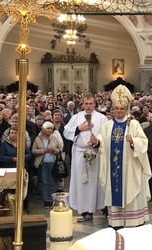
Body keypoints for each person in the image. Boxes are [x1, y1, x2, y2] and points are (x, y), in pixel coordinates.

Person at [89, 84, 152, 229]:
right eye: (116, 108)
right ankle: (117, 223)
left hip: (131, 169)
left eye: (122, 108)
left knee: (132, 193)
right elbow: (102, 141)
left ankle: (134, 221)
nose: (119, 111)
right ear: (112, 110)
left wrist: (133, 142)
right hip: (114, 169)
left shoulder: (134, 124)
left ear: (126, 109)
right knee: (115, 192)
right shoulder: (107, 126)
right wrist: (96, 141)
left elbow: (144, 143)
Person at [63, 93, 108, 222]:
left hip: (96, 153)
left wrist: (96, 141)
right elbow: (66, 131)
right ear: (82, 104)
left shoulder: (101, 118)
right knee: (83, 182)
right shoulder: (76, 117)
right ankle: (85, 211)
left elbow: (106, 135)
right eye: (86, 104)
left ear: (95, 104)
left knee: (99, 181)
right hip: (80, 154)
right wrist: (78, 128)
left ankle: (105, 209)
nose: (88, 106)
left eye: (91, 104)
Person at [32, 121, 63, 208]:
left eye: (51, 128)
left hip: (52, 162)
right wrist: (43, 151)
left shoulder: (54, 138)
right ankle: (46, 200)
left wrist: (54, 150)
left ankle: (52, 199)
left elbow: (60, 149)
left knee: (52, 181)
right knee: (44, 181)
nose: (50, 130)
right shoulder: (38, 139)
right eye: (48, 128)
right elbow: (33, 151)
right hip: (42, 163)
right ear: (43, 129)